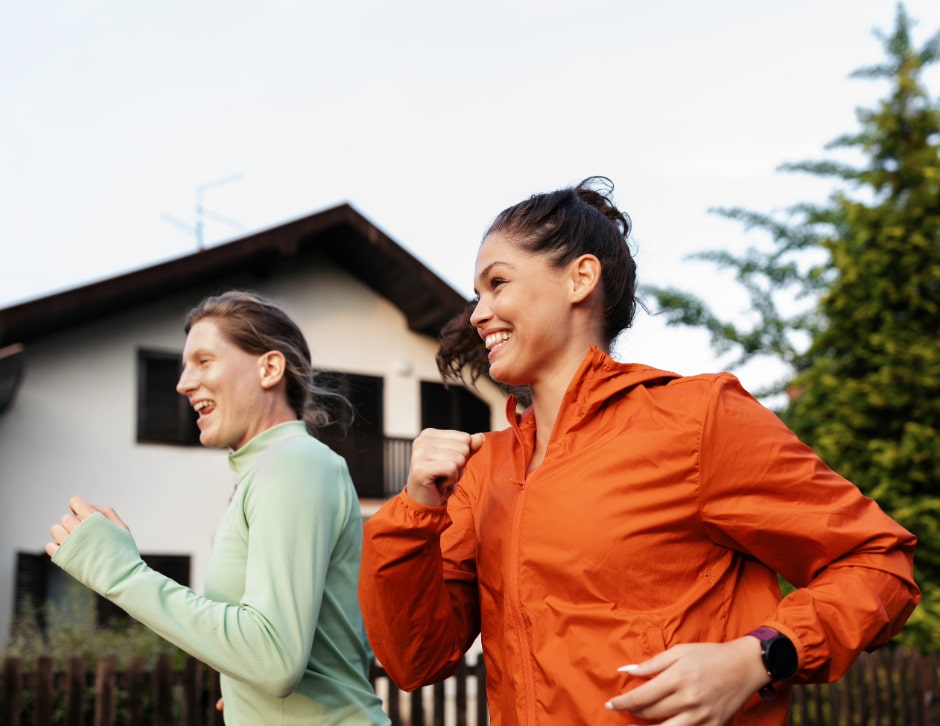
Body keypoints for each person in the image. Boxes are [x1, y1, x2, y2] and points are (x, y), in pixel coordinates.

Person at [357, 177, 920, 725]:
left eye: (497, 283)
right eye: (477, 293)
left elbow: (879, 564)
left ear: (580, 279)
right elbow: (416, 660)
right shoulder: (482, 473)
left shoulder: (696, 419)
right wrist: (414, 510)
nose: (478, 313)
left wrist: (758, 658)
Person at [46, 290, 390, 726]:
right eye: (185, 367)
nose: (184, 383)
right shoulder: (268, 470)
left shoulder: (294, 463)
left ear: (269, 368)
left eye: (204, 361)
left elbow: (273, 659)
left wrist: (123, 574)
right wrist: (248, 695)